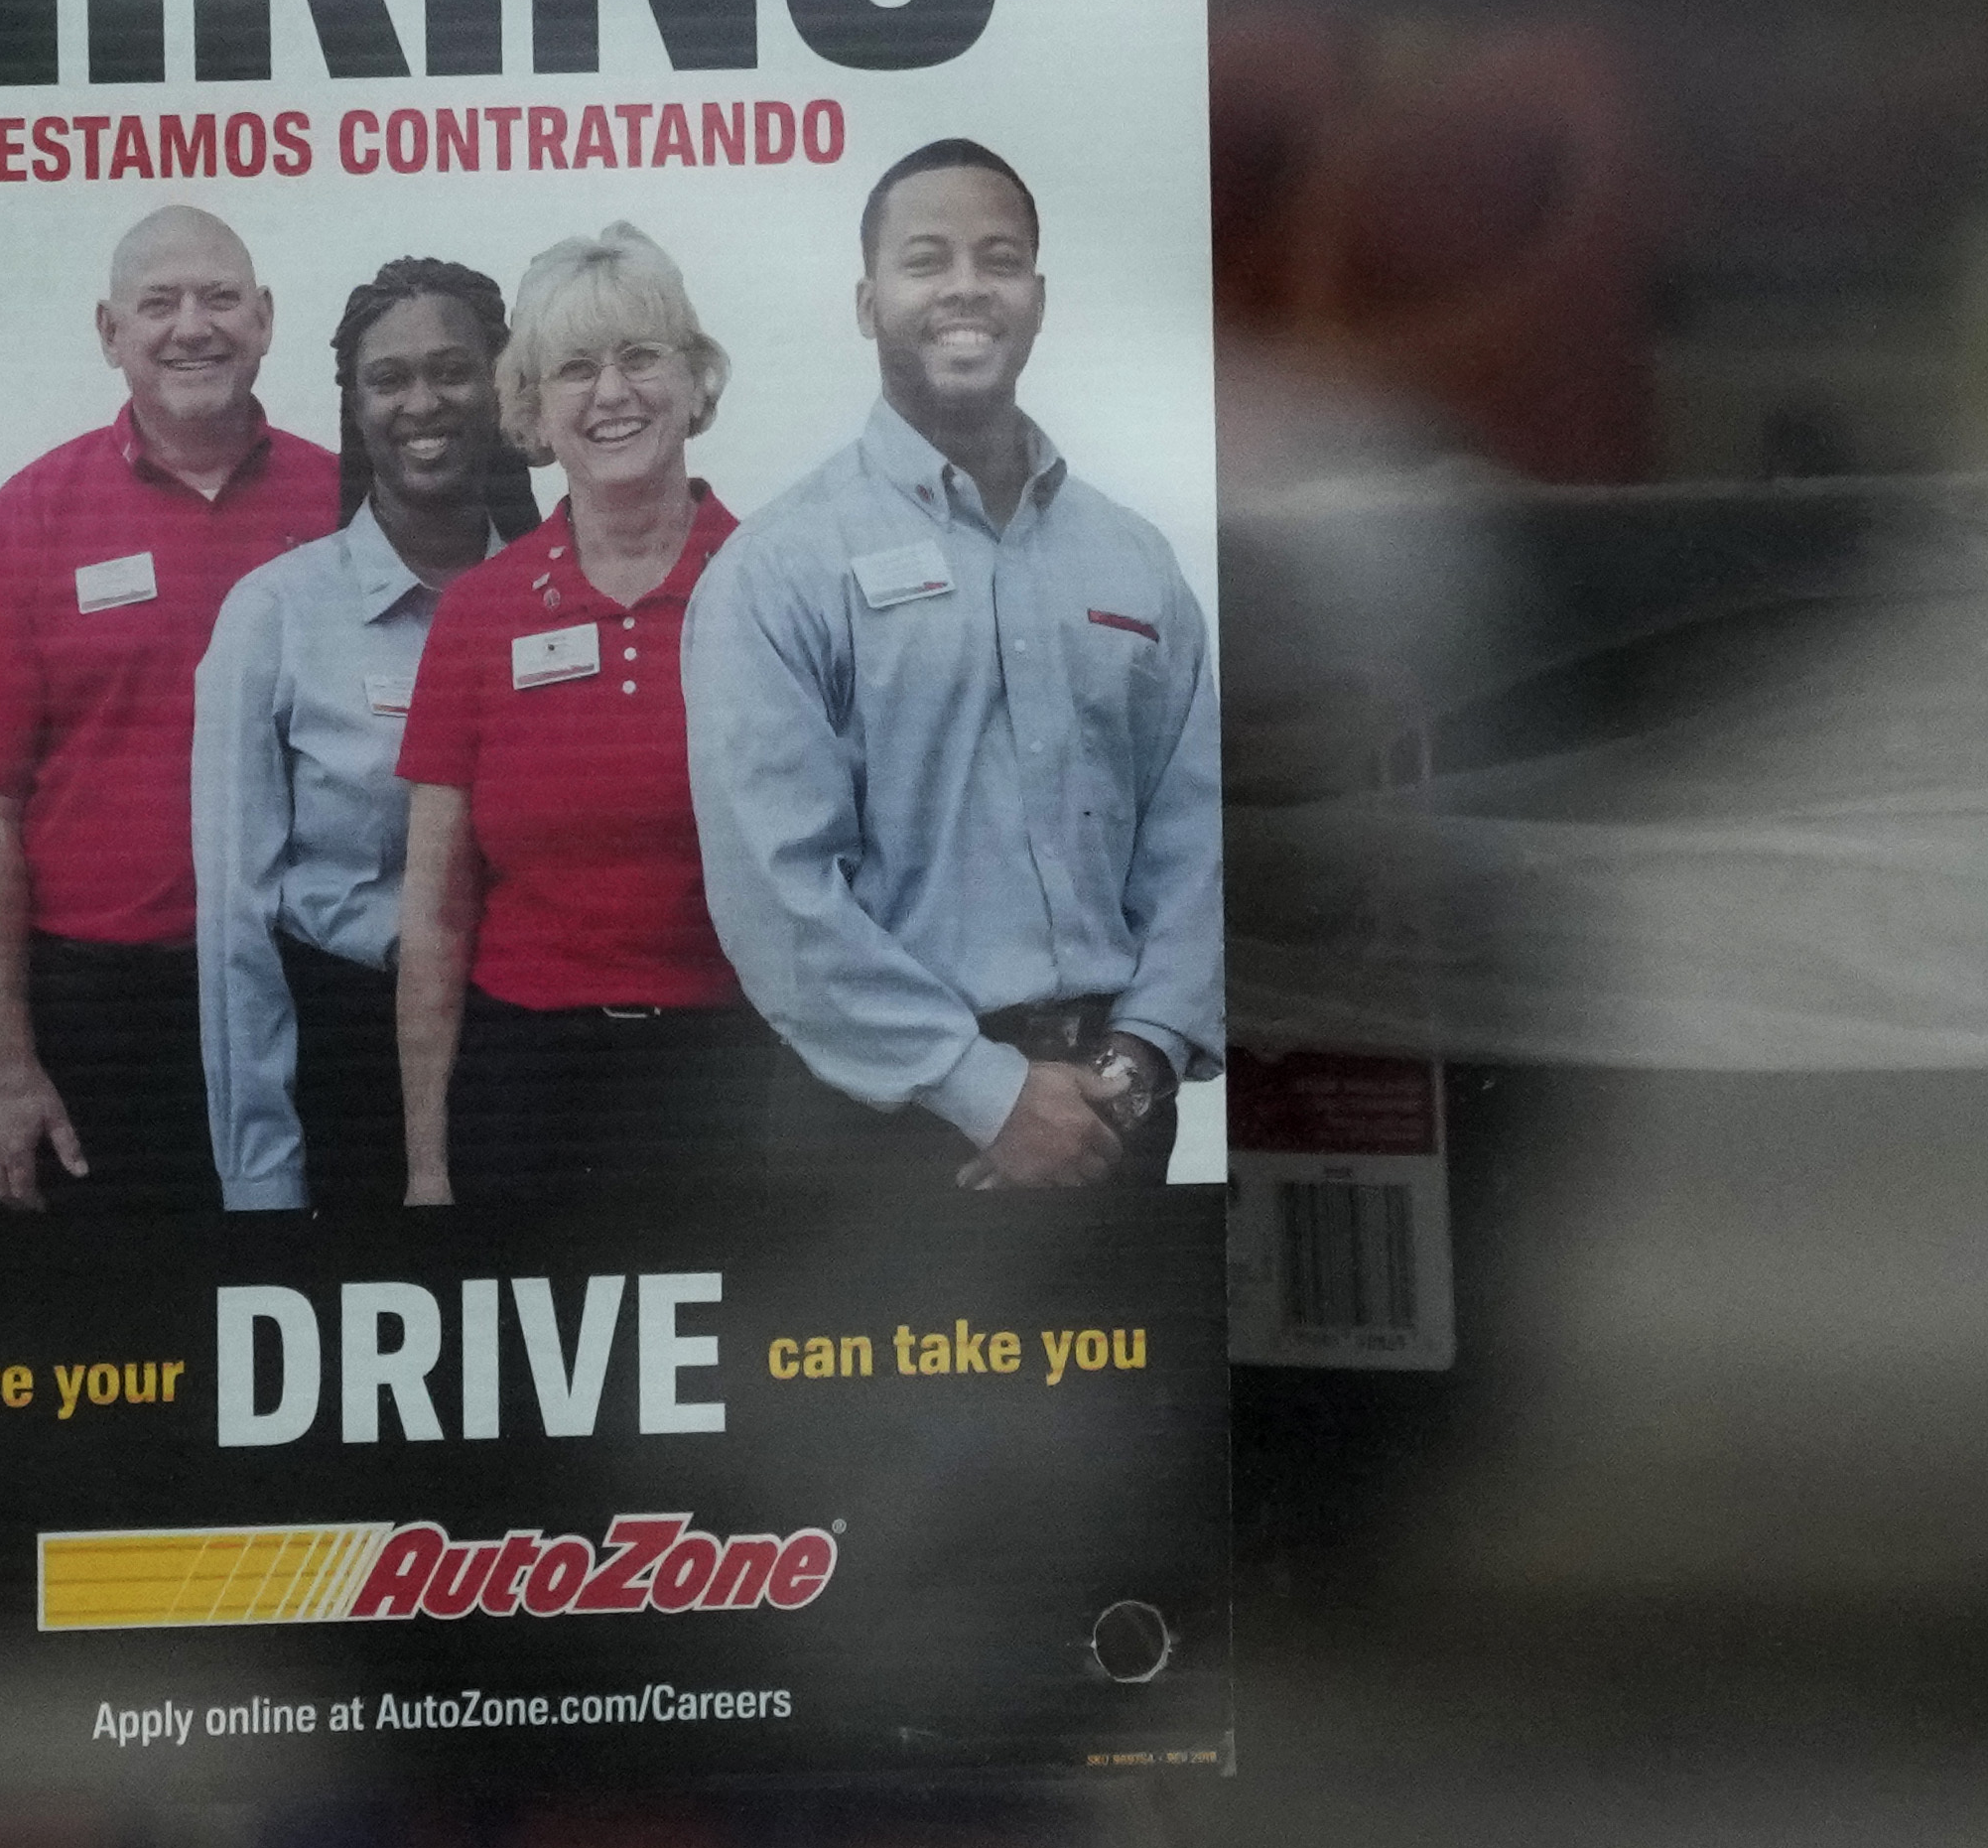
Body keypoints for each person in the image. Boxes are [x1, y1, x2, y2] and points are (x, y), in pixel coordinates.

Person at [689, 138, 1220, 1191]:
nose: (967, 287)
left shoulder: (1135, 559)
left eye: (1001, 257)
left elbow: (1197, 835)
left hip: (1116, 1115)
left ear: (1038, 295)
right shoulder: (780, 568)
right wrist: (986, 1092)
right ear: (866, 300)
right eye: (926, 259)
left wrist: (1144, 1051)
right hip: (878, 1139)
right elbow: (775, 892)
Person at [0, 204, 346, 1210]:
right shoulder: (37, 515)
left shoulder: (347, 504)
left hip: (312, 991)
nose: (194, 327)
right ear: (109, 333)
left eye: (221, 298)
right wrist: (6, 1066)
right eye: (160, 304)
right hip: (103, 1015)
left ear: (265, 319)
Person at [389, 224, 787, 1198]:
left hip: (740, 1080)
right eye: (573, 369)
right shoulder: (479, 615)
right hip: (524, 1090)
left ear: (695, 383)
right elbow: (437, 915)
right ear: (532, 407)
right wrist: (428, 1164)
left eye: (640, 357)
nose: (611, 394)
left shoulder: (782, 588)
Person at [192, 259, 540, 1214]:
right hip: (342, 1057)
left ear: (504, 385)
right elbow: (235, 926)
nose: (422, 403)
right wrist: (259, 1170)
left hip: (527, 1054)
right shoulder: (275, 614)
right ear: (353, 403)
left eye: (453, 370)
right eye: (388, 379)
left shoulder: (560, 607)